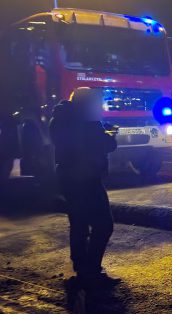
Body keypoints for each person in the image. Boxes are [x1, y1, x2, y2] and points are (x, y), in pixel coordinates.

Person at [49, 87, 120, 287]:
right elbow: (108, 144)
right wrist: (111, 131)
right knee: (104, 224)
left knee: (79, 224)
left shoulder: (60, 119)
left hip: (68, 178)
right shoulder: (89, 122)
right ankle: (91, 270)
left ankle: (82, 269)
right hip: (87, 179)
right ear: (86, 103)